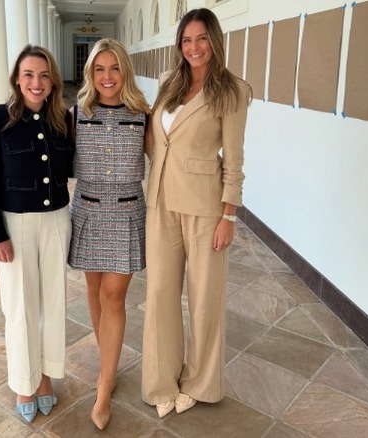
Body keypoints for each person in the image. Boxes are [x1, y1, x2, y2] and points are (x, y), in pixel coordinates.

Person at [141, 8, 252, 418]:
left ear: (214, 40)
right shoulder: (169, 83)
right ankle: (161, 381)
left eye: (201, 38)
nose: (194, 47)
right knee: (159, 295)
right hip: (160, 202)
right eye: (187, 40)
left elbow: (234, 159)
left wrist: (229, 216)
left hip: (206, 208)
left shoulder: (233, 91)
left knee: (204, 298)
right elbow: (157, 139)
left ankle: (199, 382)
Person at [0, 45, 74, 424]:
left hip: (56, 221)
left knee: (52, 303)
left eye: (44, 75)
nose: (37, 82)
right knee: (19, 306)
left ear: (53, 81)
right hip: (14, 225)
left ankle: (45, 375)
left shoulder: (62, 120)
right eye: (29, 74)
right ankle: (23, 382)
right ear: (17, 80)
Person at [67, 38, 151, 429]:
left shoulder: (143, 114)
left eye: (114, 68)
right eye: (99, 69)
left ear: (125, 71)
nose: (107, 76)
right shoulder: (76, 114)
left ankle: (103, 387)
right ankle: (109, 365)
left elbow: (165, 159)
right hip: (87, 210)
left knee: (114, 296)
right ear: (90, 73)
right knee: (94, 289)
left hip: (127, 212)